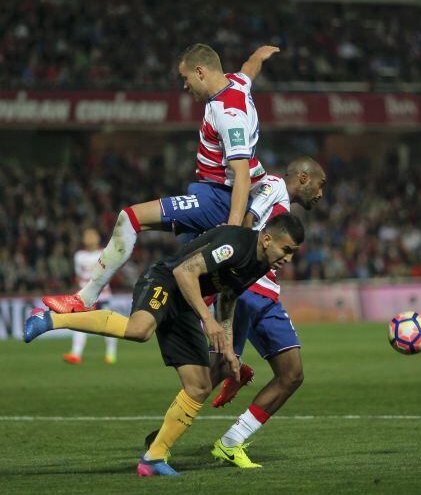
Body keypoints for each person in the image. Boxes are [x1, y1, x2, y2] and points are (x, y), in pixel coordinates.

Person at [24, 213, 305, 477]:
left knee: (200, 386)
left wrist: (229, 348)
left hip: (185, 305)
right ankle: (50, 320)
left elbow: (229, 296)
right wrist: (208, 320)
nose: (288, 258)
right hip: (164, 281)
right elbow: (184, 273)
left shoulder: (260, 263)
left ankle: (154, 458)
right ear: (268, 239)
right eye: (287, 249)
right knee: (140, 329)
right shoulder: (236, 244)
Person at [42, 43, 280, 315]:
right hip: (208, 192)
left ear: (200, 72)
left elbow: (241, 174)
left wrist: (233, 233)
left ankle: (84, 299)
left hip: (219, 198)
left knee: (130, 218)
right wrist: (259, 55)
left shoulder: (229, 114)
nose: (184, 85)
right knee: (198, 281)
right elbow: (249, 69)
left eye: (185, 78)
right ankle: (222, 352)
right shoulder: (237, 82)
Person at [208, 157, 326, 469]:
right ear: (303, 177)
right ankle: (164, 439)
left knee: (292, 374)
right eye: (320, 184)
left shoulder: (285, 208)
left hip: (268, 295)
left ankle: (231, 442)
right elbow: (245, 224)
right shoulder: (273, 186)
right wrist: (235, 274)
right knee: (214, 370)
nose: (320, 193)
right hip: (248, 289)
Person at [63, 228, 117, 364]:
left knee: (108, 325)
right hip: (85, 296)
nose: (90, 239)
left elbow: (109, 272)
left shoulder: (104, 253)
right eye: (87, 236)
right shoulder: (79, 255)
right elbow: (78, 276)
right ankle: (76, 354)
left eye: (92, 236)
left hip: (102, 295)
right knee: (80, 324)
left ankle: (111, 354)